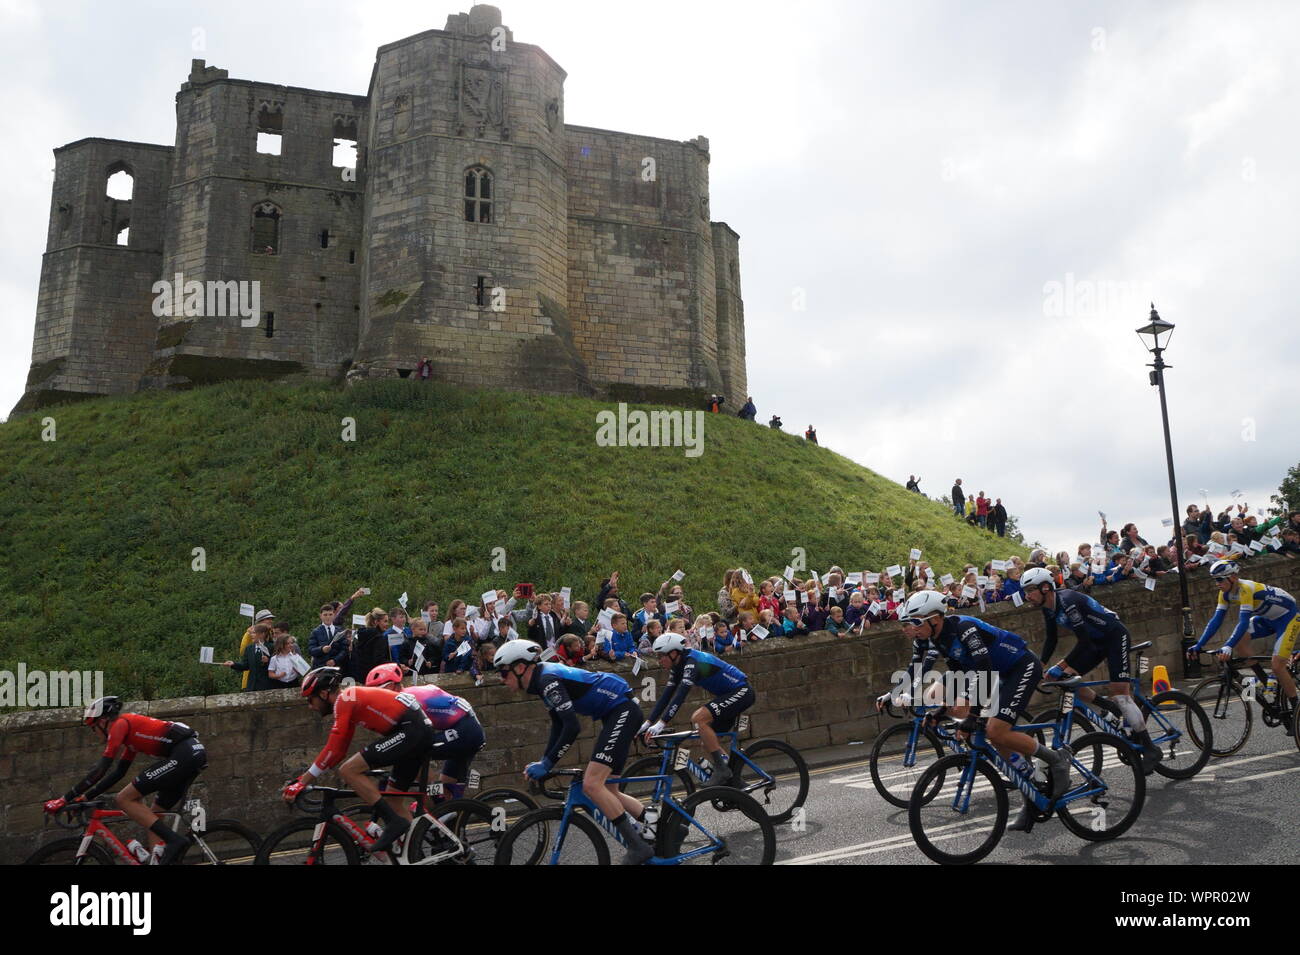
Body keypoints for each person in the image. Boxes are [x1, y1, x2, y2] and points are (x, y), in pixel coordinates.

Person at [888, 590, 1070, 832]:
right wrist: (940, 711)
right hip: (997, 674)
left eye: (916, 622)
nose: (911, 628)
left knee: (996, 730)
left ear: (935, 619)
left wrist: (973, 716)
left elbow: (983, 667)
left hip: (1021, 667)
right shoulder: (937, 639)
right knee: (995, 737)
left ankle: (1056, 760)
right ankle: (1032, 791)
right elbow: (961, 674)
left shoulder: (964, 628)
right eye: (909, 623)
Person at [493, 640, 654, 864]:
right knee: (609, 789)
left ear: (520, 668)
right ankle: (659, 828)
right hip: (616, 712)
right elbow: (558, 725)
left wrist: (548, 765)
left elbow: (572, 727)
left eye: (503, 672)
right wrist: (544, 761)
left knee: (591, 784)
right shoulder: (542, 681)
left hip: (622, 710)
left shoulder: (547, 680)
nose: (502, 679)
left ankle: (638, 847)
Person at [1020, 567, 1161, 775]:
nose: (1027, 596)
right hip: (1095, 642)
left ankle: (1150, 748)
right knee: (1067, 681)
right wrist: (1041, 666)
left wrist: (1059, 665)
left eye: (1030, 590)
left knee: (1120, 695)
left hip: (1114, 636)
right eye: (1025, 591)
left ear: (1045, 588)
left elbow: (1083, 642)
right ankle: (1106, 708)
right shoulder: (1047, 607)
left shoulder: (1067, 601)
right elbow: (1052, 638)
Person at [283, 667, 433, 854]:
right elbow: (338, 751)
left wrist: (302, 782)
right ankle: (416, 853)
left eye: (310, 699)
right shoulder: (350, 701)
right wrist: (303, 780)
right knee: (394, 802)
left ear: (323, 694)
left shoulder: (345, 699)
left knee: (349, 770)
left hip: (411, 730)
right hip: (413, 731)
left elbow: (332, 748)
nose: (309, 706)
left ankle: (394, 822)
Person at [43, 696, 207, 865]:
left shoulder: (120, 725)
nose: (94, 732)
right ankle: (157, 860)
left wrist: (63, 799)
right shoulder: (130, 735)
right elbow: (118, 773)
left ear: (103, 721)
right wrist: (86, 797)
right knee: (153, 815)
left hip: (186, 755)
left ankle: (175, 841)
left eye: (93, 727)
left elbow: (101, 769)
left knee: (123, 798)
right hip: (190, 755)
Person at [1186, 561, 1298, 730]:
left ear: (1233, 577)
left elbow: (1243, 622)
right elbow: (1216, 621)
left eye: (1220, 579)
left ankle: (1296, 711)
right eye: (1215, 580)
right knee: (1239, 641)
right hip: (1266, 618)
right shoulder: (1224, 593)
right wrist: (1198, 644)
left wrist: (1227, 646)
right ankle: (1266, 682)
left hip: (1287, 618)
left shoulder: (1246, 588)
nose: (1217, 584)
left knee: (1277, 665)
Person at [640, 634, 753, 786]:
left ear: (674, 653)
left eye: (661, 656)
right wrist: (647, 723)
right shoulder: (678, 665)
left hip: (742, 691)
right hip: (728, 694)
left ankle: (722, 771)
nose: (659, 660)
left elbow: (680, 695)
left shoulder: (692, 662)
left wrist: (662, 723)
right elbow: (666, 697)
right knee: (706, 742)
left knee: (698, 718)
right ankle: (734, 780)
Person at [366, 663, 484, 802]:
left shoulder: (406, 701)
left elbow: (409, 741)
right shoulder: (404, 697)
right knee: (447, 792)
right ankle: (448, 809)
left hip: (466, 730)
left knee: (413, 753)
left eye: (376, 691)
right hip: (464, 727)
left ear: (391, 686)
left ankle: (435, 793)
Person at [223, 623, 273, 691]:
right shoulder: (249, 648)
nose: (251, 635)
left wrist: (268, 661)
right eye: (251, 633)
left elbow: (278, 666)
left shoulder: (271, 647)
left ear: (262, 634)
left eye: (254, 633)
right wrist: (233, 664)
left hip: (267, 686)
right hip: (251, 687)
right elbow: (245, 666)